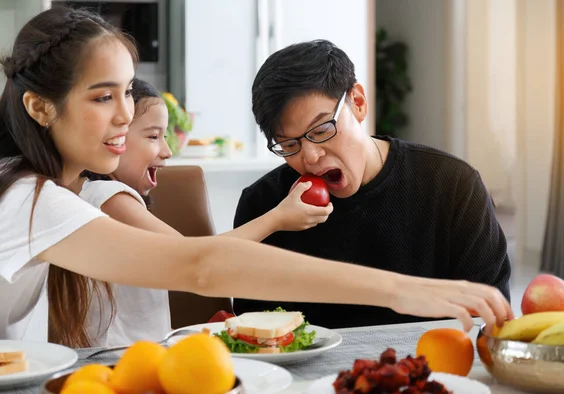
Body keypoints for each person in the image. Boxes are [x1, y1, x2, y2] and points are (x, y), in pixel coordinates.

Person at [0, 6, 511, 348]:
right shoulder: (31, 200)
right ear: (40, 108)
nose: (123, 115)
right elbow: (200, 265)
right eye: (101, 96)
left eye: (128, 92)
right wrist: (400, 291)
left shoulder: (44, 191)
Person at [233, 40, 513, 328]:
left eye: (321, 129)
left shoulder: (453, 185)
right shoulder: (264, 205)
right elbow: (254, 334)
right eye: (289, 144)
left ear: (358, 103)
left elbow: (489, 319)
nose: (311, 156)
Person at [73, 78, 334, 347]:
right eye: (153, 136)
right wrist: (277, 218)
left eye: (165, 136)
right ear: (113, 138)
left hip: (137, 352)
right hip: (117, 361)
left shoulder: (101, 196)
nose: (167, 151)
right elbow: (194, 256)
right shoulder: (108, 198)